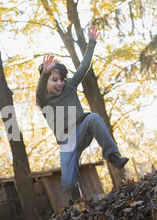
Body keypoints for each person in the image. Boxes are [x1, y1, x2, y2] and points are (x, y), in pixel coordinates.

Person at [36, 25, 129, 204]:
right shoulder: (44, 100)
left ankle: (112, 156)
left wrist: (92, 42)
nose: (60, 83)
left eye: (61, 79)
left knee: (93, 118)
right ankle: (76, 200)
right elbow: (39, 93)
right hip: (66, 142)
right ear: (45, 81)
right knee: (68, 182)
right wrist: (45, 73)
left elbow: (84, 66)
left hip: (82, 129)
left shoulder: (69, 86)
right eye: (54, 80)